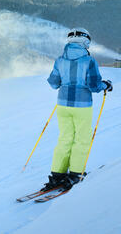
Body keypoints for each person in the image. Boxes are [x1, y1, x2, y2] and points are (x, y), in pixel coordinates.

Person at [43, 28, 111, 190]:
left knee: (65, 138)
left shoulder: (60, 60)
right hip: (82, 106)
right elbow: (94, 86)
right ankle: (75, 174)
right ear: (85, 41)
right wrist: (106, 85)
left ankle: (57, 175)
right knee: (82, 139)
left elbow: (53, 83)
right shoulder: (89, 61)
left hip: (63, 105)